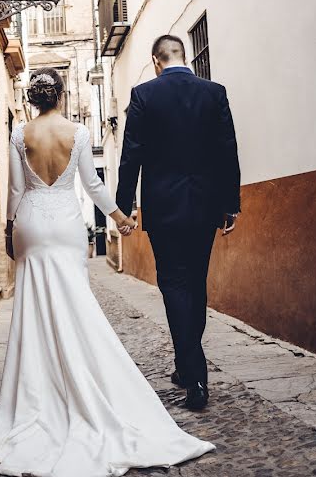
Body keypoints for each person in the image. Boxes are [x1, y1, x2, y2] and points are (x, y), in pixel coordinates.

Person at [0, 69, 215, 477]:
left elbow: (17, 192)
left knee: (34, 309)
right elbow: (92, 184)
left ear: (33, 100)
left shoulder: (19, 135)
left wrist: (8, 229)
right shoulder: (80, 134)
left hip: (32, 224)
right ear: (62, 95)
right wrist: (120, 217)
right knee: (76, 303)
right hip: (67, 226)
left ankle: (39, 390)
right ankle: (85, 378)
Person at [115, 34, 241, 411]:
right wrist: (229, 205)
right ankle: (188, 368)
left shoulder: (143, 96)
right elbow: (227, 150)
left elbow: (130, 156)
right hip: (204, 208)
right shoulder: (214, 92)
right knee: (196, 283)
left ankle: (193, 373)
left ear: (157, 61)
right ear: (183, 56)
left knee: (173, 284)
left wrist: (124, 207)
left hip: (164, 209)